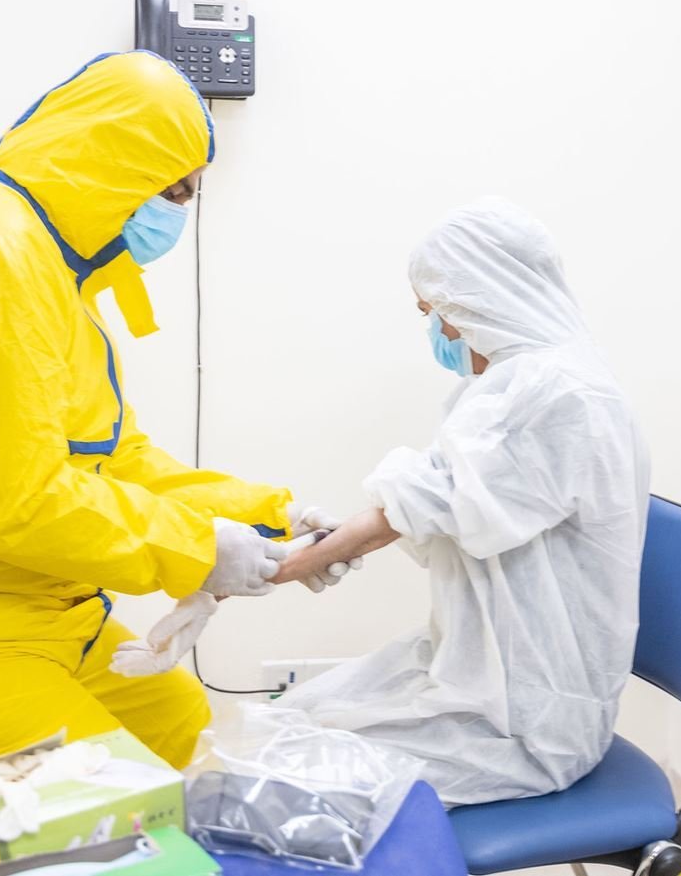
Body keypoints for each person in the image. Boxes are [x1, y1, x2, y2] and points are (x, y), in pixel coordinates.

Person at [0, 52, 343, 773]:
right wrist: (199, 549)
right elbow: (7, 500)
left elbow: (115, 462)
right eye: (174, 189)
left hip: (33, 612)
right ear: (109, 162)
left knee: (207, 758)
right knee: (130, 805)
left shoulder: (50, 275)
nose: (178, 212)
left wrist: (270, 517)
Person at [134, 198, 652, 806]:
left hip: (528, 719)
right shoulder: (518, 383)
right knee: (277, 725)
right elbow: (427, 501)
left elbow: (408, 512)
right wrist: (261, 559)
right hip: (480, 671)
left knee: (255, 773)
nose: (441, 332)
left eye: (438, 313)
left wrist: (249, 574)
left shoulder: (559, 394)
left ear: (485, 300)